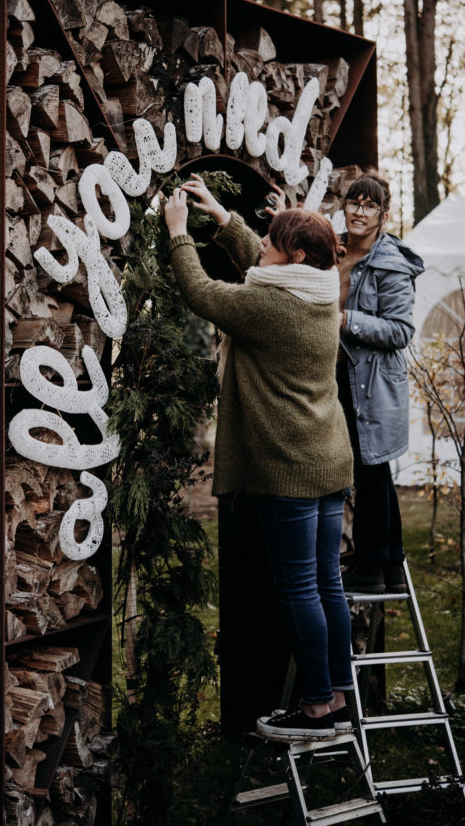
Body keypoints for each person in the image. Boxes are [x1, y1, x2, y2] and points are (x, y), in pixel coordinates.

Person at [164, 174, 354, 742]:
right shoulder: (321, 287)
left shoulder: (270, 306)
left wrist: (179, 232)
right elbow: (261, 262)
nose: (263, 243)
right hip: (328, 456)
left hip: (288, 463)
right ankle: (338, 694)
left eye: (273, 240)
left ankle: (316, 708)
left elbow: (204, 293)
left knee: (298, 588)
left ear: (295, 255)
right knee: (327, 583)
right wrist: (223, 217)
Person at [336, 173, 424, 594]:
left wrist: (347, 320)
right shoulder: (331, 249)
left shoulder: (390, 263)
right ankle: (389, 563)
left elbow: (400, 330)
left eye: (370, 206)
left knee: (370, 470)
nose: (360, 211)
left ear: (383, 215)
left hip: (371, 381)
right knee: (373, 471)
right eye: (354, 202)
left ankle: (371, 566)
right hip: (335, 374)